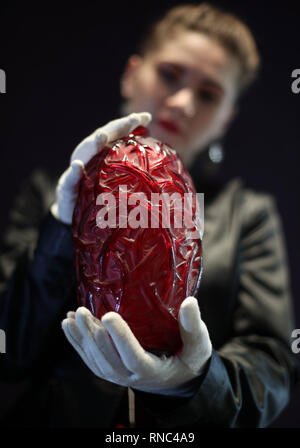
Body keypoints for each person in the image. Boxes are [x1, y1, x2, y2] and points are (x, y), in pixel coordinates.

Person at [0, 3, 299, 428]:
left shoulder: (247, 215)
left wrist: (193, 380)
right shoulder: (52, 194)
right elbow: (9, 353)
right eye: (169, 75)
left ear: (226, 119)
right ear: (131, 74)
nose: (181, 102)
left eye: (208, 95)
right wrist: (59, 230)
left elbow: (275, 369)